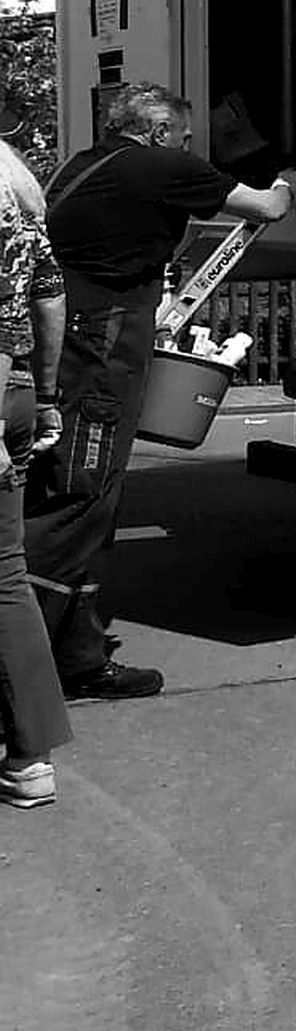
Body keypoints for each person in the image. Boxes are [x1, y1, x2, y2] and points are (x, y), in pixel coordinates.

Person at [26, 83, 296, 700]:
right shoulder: (160, 166)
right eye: (184, 137)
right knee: (77, 497)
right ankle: (21, 665)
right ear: (157, 133)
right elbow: (269, 208)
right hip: (98, 350)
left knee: (94, 503)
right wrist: (291, 181)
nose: (189, 148)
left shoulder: (88, 164)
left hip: (79, 339)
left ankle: (79, 657)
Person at [0, 133, 73, 805]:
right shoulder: (18, 193)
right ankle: (30, 759)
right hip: (18, 390)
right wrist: (44, 397)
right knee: (6, 576)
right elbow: (49, 296)